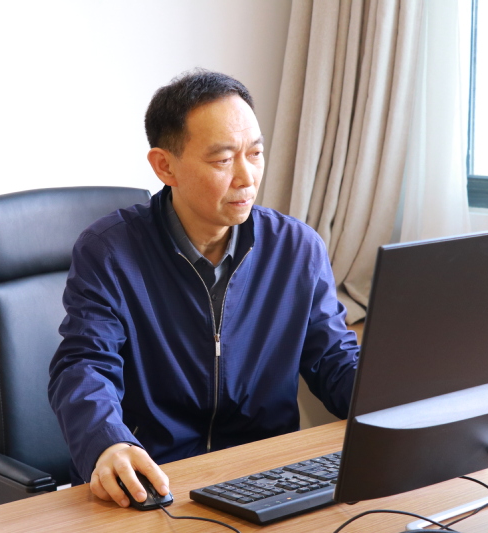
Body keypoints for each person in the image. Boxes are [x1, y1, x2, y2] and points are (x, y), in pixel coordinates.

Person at [48, 69, 359, 508]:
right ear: (165, 166)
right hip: (156, 481)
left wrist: (400, 399)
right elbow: (84, 365)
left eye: (255, 153)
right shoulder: (110, 251)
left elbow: (334, 359)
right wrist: (107, 442)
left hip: (267, 478)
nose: (247, 177)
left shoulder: (295, 247)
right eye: (222, 160)